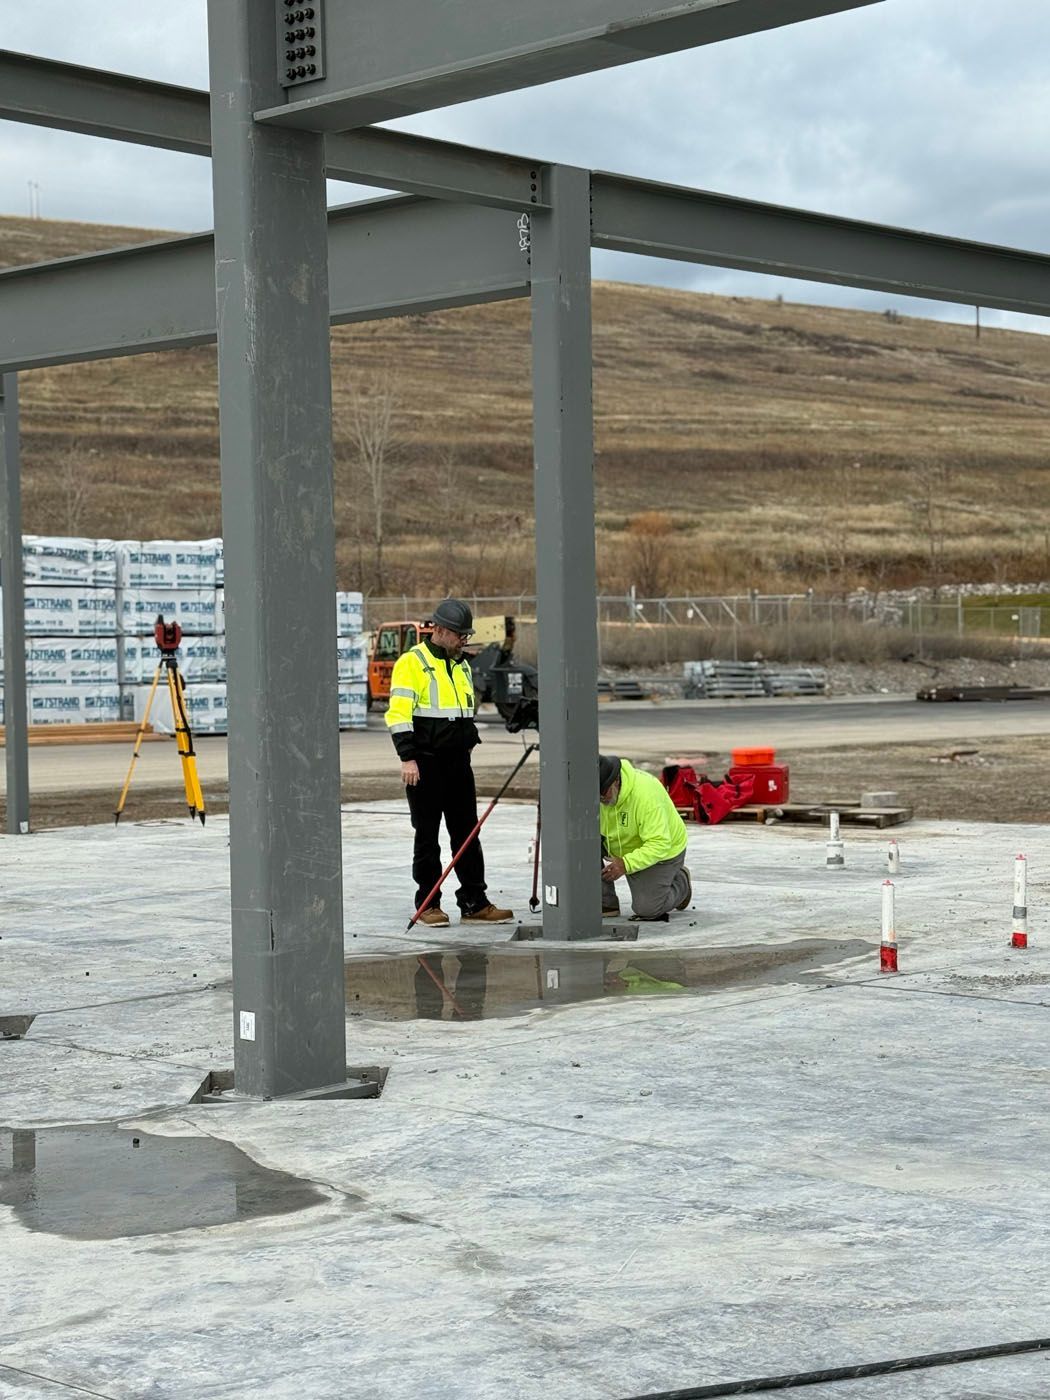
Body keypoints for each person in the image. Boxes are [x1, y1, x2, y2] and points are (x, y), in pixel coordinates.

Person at [386, 598, 513, 928]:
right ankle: (428, 904)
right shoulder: (411, 663)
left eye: (466, 636)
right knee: (427, 836)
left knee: (467, 834)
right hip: (425, 764)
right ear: (439, 630)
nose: (463, 641)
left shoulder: (462, 665)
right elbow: (398, 715)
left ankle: (474, 902)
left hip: (458, 763)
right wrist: (407, 758)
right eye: (459, 635)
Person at [598, 753, 692, 921]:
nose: (600, 800)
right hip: (622, 847)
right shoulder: (600, 793)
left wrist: (626, 864)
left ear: (615, 782)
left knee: (648, 909)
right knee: (581, 845)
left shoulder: (646, 795)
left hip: (663, 853)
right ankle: (606, 902)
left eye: (603, 794)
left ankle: (681, 882)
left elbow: (659, 843)